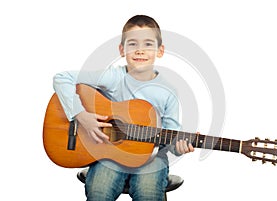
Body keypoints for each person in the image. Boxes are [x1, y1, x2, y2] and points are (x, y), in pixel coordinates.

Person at [53, 15, 194, 201]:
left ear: (160, 51)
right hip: (109, 154)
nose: (140, 51)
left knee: (148, 192)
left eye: (148, 44)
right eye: (133, 44)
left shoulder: (168, 91)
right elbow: (62, 78)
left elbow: (172, 135)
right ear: (122, 50)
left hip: (152, 157)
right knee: (98, 191)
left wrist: (179, 148)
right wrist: (81, 116)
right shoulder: (114, 77)